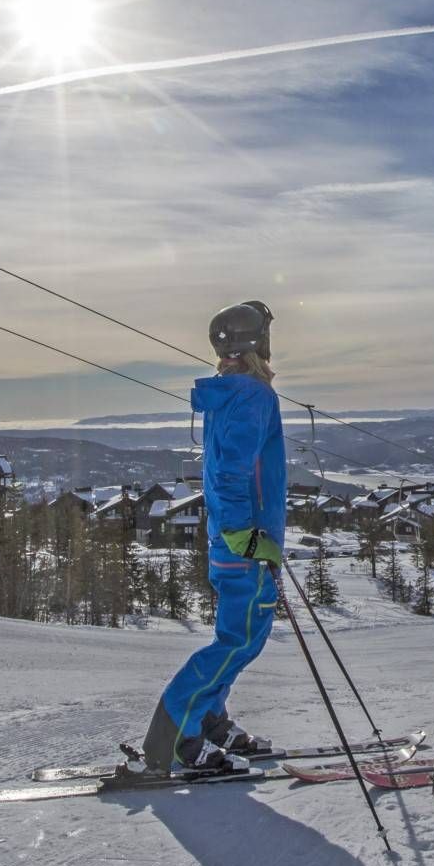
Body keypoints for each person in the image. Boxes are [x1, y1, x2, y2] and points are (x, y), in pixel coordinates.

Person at [130, 300, 287, 776]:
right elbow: (229, 473)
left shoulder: (230, 395)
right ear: (258, 344)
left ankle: (209, 717)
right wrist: (244, 534)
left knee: (241, 639)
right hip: (244, 542)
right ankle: (176, 735)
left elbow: (226, 469)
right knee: (237, 642)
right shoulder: (254, 396)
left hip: (238, 541)